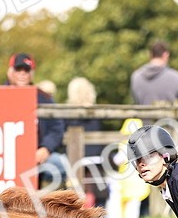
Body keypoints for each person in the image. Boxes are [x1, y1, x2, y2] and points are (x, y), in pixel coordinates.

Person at [6, 52, 68, 189]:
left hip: (35, 157)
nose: (22, 74)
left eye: (26, 70)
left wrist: (45, 148)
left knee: (63, 165)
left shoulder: (43, 97)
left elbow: (57, 127)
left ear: (32, 73)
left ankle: (53, 205)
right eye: (18, 69)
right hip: (5, 159)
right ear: (10, 71)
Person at [64, 77, 108, 208]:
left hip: (76, 160)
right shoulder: (96, 113)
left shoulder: (67, 113)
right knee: (91, 182)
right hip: (95, 158)